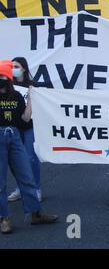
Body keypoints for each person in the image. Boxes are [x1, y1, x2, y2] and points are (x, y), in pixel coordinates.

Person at [0, 60, 58, 234]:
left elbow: (25, 119)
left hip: (15, 136)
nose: (1, 78)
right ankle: (4, 218)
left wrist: (32, 99)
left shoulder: (16, 96)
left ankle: (35, 213)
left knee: (26, 176)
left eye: (3, 76)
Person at [7, 57, 42, 202]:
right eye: (12, 66)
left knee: (31, 158)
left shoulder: (33, 85)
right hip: (14, 128)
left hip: (29, 127)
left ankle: (36, 188)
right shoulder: (8, 85)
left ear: (24, 69)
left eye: (17, 66)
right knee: (15, 160)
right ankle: (20, 188)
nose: (13, 68)